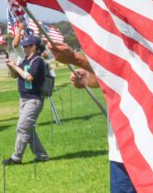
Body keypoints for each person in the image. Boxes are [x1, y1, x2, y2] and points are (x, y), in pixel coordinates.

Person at [50, 41, 135, 192]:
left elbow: (127, 73)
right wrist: (88, 78)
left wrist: (75, 59)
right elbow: (111, 77)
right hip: (119, 149)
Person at [2, 34, 50, 165]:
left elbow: (29, 77)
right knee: (28, 130)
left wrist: (17, 67)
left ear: (34, 47)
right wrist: (10, 66)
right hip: (23, 98)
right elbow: (15, 76)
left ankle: (16, 158)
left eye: (26, 45)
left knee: (22, 128)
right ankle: (42, 155)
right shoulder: (25, 60)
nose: (23, 47)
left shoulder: (38, 61)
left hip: (34, 100)